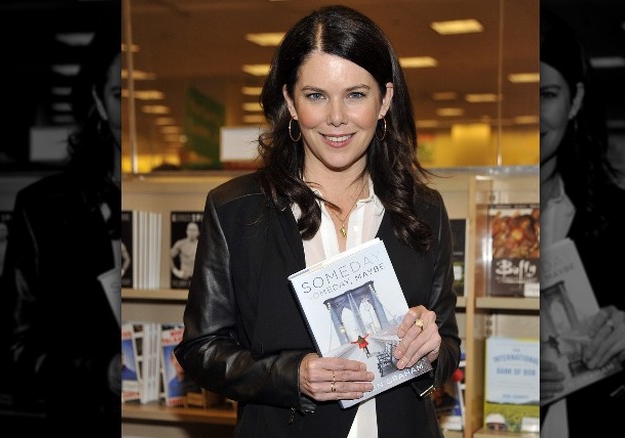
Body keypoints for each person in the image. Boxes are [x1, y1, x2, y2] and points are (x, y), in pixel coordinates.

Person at [173, 5, 461, 438]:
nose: (336, 117)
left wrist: (430, 349)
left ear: (385, 100)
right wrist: (292, 375)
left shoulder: (424, 209)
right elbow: (200, 349)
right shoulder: (236, 209)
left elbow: (449, 345)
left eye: (356, 94)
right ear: (290, 101)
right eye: (316, 95)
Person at [0, 20, 122, 437]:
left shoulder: (204, 202)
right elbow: (10, 350)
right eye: (118, 95)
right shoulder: (44, 209)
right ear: (98, 102)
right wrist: (100, 371)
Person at [539, 9, 625, 438]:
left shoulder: (612, 212)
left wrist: (624, 347)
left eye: (547, 94)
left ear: (576, 101)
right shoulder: (491, 211)